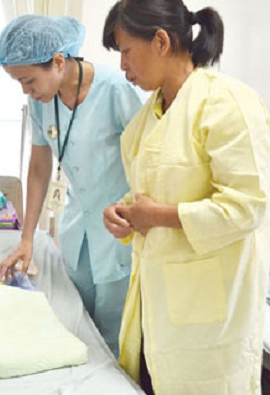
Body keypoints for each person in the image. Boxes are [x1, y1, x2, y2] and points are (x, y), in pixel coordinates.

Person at [101, 1, 270, 393]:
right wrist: (123, 212)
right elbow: (150, 190)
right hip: (156, 300)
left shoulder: (226, 101)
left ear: (160, 41)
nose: (123, 66)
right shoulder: (149, 116)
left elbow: (249, 205)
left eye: (126, 52)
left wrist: (158, 215)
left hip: (213, 312)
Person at [0, 14, 145, 356]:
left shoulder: (114, 89)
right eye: (19, 82)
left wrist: (138, 210)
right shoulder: (41, 101)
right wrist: (27, 237)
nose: (26, 91)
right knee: (77, 318)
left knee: (114, 329)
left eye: (29, 81)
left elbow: (149, 159)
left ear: (58, 62)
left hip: (121, 225)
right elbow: (38, 166)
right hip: (79, 223)